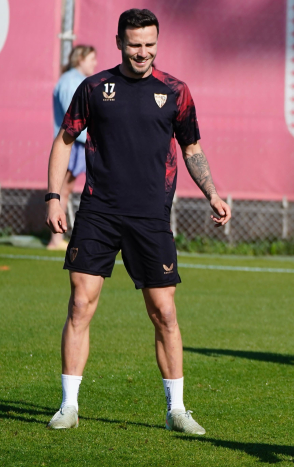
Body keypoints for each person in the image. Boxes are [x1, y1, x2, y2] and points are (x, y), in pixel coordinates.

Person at [45, 9, 232, 434]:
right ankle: (68, 406)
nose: (142, 52)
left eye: (149, 44)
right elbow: (64, 138)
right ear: (119, 43)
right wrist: (54, 197)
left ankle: (177, 410)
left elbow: (192, 148)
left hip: (150, 216)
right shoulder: (94, 87)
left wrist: (213, 192)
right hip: (98, 211)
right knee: (79, 303)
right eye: (134, 44)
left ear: (157, 43)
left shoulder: (175, 91)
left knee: (164, 312)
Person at [49, 45, 98, 250]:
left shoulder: (77, 80)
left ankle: (57, 238)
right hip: (72, 144)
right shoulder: (71, 82)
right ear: (80, 59)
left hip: (77, 143)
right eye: (91, 59)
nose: (94, 63)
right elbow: (75, 119)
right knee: (61, 190)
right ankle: (55, 239)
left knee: (66, 189)